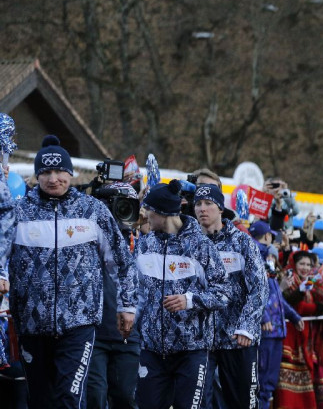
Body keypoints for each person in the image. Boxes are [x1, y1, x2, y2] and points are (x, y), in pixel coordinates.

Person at [1, 135, 138, 408]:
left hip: (78, 324)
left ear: (70, 173)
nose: (53, 178)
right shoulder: (19, 212)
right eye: (46, 172)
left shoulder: (93, 210)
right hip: (31, 323)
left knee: (70, 399)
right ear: (37, 175)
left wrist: (127, 306)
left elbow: (121, 261)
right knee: (41, 400)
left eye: (59, 171)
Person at [135, 180, 231, 409]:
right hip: (152, 349)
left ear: (162, 213)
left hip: (192, 350)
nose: (145, 215)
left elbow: (224, 292)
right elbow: (133, 288)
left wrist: (189, 300)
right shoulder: (144, 245)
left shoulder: (200, 246)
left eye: (148, 210)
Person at [194, 184, 268, 409]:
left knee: (244, 403)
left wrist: (247, 326)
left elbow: (259, 288)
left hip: (237, 339)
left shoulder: (242, 242)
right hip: (201, 341)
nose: (202, 209)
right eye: (198, 204)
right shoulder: (191, 242)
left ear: (220, 208)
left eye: (208, 204)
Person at [86, 182, 142, 409]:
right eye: (119, 205)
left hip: (129, 335)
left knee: (126, 398)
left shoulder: (143, 242)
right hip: (94, 333)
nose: (124, 210)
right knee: (94, 398)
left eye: (129, 205)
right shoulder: (88, 237)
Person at [275, 251, 323, 409]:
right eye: (302, 264)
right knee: (287, 379)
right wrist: (321, 308)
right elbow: (295, 306)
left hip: (304, 337)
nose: (305, 267)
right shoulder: (289, 279)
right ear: (294, 264)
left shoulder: (309, 282)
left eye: (308, 265)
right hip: (289, 338)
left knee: (304, 378)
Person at [256, 240, 303, 409]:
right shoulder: (260, 277)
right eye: (269, 256)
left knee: (270, 379)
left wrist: (295, 316)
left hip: (277, 334)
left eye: (273, 257)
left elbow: (280, 302)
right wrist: (265, 317)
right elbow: (258, 301)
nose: (271, 260)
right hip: (266, 334)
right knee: (262, 377)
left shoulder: (273, 279)